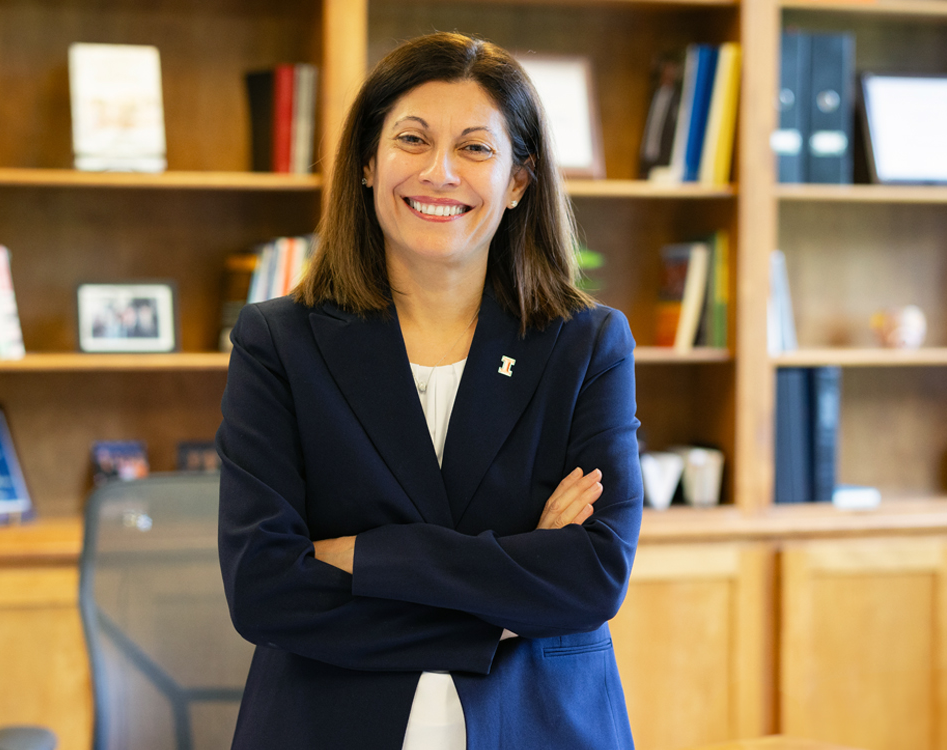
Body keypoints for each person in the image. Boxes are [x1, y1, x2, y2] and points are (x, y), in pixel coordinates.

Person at [216, 32, 641, 750]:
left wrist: (366, 557)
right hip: (324, 727)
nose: (440, 172)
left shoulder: (586, 344)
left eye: (475, 148)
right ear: (367, 163)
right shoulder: (278, 344)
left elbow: (594, 576)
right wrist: (512, 586)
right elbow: (265, 590)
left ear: (517, 182)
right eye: (413, 139)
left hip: (541, 724)